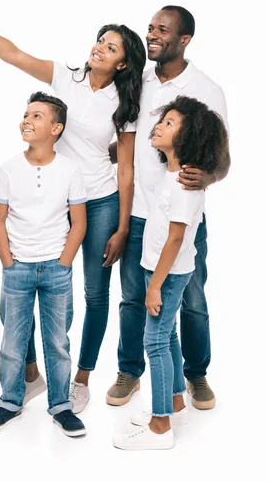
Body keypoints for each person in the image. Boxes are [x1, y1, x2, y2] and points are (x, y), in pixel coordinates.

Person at [0, 0, 146, 413]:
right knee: (26, 282)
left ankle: (79, 379)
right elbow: (12, 53)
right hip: (58, 200)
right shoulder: (66, 77)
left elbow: (125, 170)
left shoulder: (124, 103)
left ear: (122, 63)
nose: (98, 47)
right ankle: (32, 375)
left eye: (110, 46)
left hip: (101, 202)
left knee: (96, 293)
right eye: (99, 40)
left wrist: (122, 227)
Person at [106, 6, 230, 409]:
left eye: (163, 30)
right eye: (151, 28)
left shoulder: (207, 89)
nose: (153, 35)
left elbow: (222, 158)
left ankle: (195, 375)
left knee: (191, 300)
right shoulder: (136, 82)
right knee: (132, 298)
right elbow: (129, 139)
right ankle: (130, 370)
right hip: (139, 211)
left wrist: (208, 177)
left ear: (185, 40)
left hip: (183, 217)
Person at [113, 95, 228, 450]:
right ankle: (176, 403)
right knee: (169, 336)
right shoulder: (173, 175)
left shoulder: (185, 185)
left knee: (156, 342)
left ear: (188, 138)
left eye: (170, 123)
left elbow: (176, 240)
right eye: (162, 120)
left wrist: (155, 287)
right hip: (158, 271)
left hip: (166, 275)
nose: (159, 125)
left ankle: (160, 425)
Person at [0, 91, 88, 437]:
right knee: (12, 341)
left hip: (56, 267)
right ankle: (10, 402)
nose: (27, 119)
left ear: (56, 128)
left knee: (57, 341)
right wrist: (9, 263)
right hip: (19, 268)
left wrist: (64, 261)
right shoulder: (9, 168)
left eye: (37, 116)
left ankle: (61, 406)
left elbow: (79, 222)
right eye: (26, 114)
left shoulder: (70, 170)